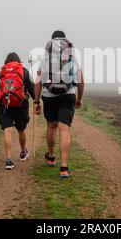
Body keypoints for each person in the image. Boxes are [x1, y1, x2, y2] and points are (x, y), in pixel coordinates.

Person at [34, 30, 84, 178]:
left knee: (51, 126)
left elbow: (37, 81)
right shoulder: (74, 54)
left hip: (49, 95)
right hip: (68, 94)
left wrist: (37, 101)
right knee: (64, 128)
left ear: (51, 41)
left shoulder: (45, 56)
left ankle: (50, 157)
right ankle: (64, 167)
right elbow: (81, 79)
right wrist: (79, 98)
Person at [0, 52, 35, 170]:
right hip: (21, 105)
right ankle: (23, 151)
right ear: (19, 61)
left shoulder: (2, 72)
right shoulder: (24, 71)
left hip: (5, 105)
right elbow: (31, 89)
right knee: (21, 129)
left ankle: (8, 159)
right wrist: (36, 101)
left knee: (7, 131)